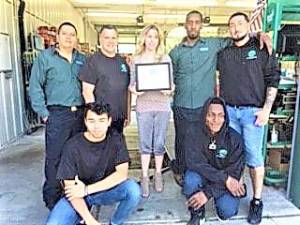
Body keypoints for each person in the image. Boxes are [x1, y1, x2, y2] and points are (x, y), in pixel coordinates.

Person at [169, 10, 272, 185]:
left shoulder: (213, 44)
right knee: (182, 139)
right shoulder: (175, 52)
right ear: (185, 25)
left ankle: (207, 174)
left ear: (201, 25)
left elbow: (238, 36)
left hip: (205, 107)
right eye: (190, 22)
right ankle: (180, 169)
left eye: (197, 22)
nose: (193, 25)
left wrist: (259, 33)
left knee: (207, 141)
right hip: (182, 104)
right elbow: (166, 72)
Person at [217, 12, 280, 224]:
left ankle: (256, 201)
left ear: (248, 25)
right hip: (229, 113)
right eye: (232, 25)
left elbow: (273, 78)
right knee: (233, 156)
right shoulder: (223, 52)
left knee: (253, 157)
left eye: (240, 24)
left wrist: (266, 109)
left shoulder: (262, 49)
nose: (236, 28)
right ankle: (236, 190)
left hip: (252, 113)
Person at [45, 103, 141, 225]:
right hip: (77, 195)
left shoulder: (116, 139)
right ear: (85, 121)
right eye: (91, 121)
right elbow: (70, 188)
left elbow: (122, 174)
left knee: (133, 190)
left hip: (103, 190)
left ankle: (116, 222)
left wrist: (86, 190)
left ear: (109, 121)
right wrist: (90, 220)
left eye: (102, 120)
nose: (97, 126)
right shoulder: (72, 145)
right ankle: (80, 217)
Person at [29, 22, 86, 209]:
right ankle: (52, 198)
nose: (69, 37)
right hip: (57, 115)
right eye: (65, 34)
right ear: (58, 37)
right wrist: (44, 114)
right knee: (55, 157)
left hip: (80, 114)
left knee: (77, 156)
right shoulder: (45, 58)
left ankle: (76, 195)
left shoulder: (82, 59)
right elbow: (35, 86)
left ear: (76, 38)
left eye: (72, 34)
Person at [128, 24, 174, 198]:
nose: (152, 40)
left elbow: (171, 84)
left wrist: (169, 89)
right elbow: (131, 84)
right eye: (149, 36)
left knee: (159, 142)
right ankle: (145, 176)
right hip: (144, 106)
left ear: (159, 40)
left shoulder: (165, 58)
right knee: (145, 143)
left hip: (162, 105)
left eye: (155, 37)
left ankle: (159, 173)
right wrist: (135, 90)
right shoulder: (136, 59)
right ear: (144, 38)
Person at [184, 97, 246, 225]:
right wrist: (225, 179)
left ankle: (218, 204)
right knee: (190, 180)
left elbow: (235, 172)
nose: (216, 120)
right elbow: (194, 162)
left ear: (225, 117)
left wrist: (207, 193)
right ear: (204, 115)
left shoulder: (235, 139)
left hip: (223, 182)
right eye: (211, 115)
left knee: (227, 210)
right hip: (206, 176)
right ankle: (198, 212)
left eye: (220, 116)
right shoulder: (193, 132)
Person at [80, 25, 130, 134]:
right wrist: (95, 119)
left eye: (113, 38)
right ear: (100, 39)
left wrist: (127, 114)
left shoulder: (122, 62)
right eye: (106, 37)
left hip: (118, 118)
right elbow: (87, 92)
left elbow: (126, 90)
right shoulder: (92, 62)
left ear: (117, 40)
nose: (110, 41)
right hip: (101, 119)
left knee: (116, 148)